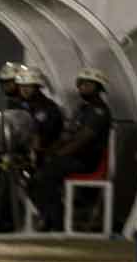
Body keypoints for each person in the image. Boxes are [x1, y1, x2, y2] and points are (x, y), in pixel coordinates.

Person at [28, 67, 113, 231]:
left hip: (86, 161)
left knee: (44, 176)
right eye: (81, 84)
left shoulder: (99, 111)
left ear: (98, 87)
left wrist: (57, 154)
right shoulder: (83, 109)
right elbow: (68, 135)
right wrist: (50, 150)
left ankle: (57, 222)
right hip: (73, 158)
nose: (83, 88)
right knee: (35, 177)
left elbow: (82, 140)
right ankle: (50, 217)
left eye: (88, 85)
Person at [14, 66, 63, 168]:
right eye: (21, 86)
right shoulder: (19, 105)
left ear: (37, 87)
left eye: (28, 86)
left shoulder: (50, 107)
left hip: (45, 152)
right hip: (23, 150)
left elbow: (48, 135)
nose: (24, 89)